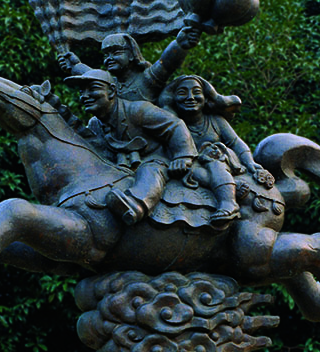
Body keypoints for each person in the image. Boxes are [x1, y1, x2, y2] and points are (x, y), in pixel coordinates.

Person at [65, 69, 197, 225]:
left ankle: (136, 205)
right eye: (82, 91)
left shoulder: (138, 110)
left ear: (111, 91)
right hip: (118, 166)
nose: (85, 96)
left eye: (93, 89)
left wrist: (183, 155)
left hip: (154, 160)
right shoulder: (95, 124)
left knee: (150, 171)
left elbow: (175, 125)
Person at [159, 75, 275, 227]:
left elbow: (236, 142)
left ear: (206, 98)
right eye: (182, 93)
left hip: (219, 159)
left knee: (213, 160)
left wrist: (250, 162)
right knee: (192, 170)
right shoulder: (171, 124)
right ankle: (231, 185)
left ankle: (228, 203)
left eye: (196, 92)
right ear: (173, 100)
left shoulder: (215, 120)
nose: (190, 97)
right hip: (194, 165)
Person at [58, 26, 200, 104]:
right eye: (106, 55)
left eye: (116, 52)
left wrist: (180, 44)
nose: (109, 58)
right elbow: (91, 75)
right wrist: (74, 65)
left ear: (132, 54)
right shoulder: (111, 84)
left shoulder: (147, 79)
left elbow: (166, 63)